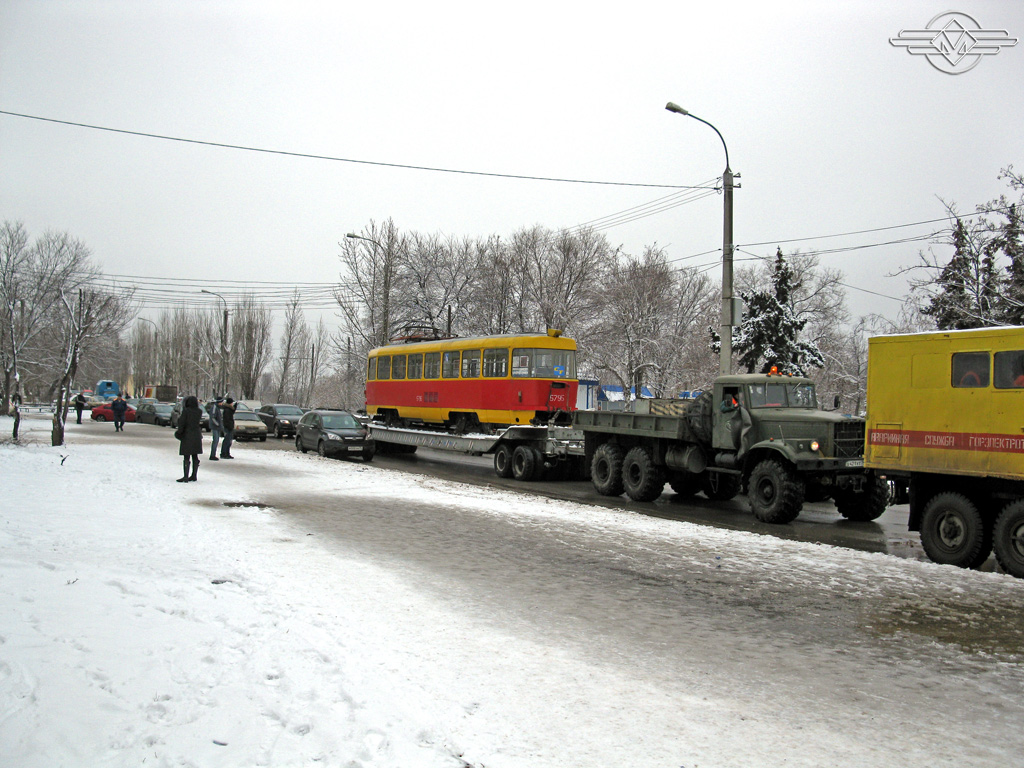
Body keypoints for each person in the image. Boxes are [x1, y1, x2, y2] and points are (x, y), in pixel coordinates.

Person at [174, 395, 204, 482]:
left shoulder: (186, 411)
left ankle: (186, 476)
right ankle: (194, 475)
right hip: (197, 435)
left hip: (187, 435)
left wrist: (179, 433)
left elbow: (182, 423)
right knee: (195, 455)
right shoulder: (199, 411)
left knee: (186, 456)